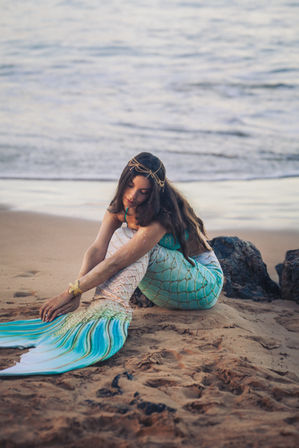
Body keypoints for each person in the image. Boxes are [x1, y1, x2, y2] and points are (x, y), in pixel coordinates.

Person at [0, 152, 223, 376]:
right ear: (123, 179)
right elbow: (98, 248)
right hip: (167, 287)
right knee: (124, 235)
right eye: (130, 185)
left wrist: (72, 290)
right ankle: (102, 308)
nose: (133, 196)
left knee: (129, 238)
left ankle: (107, 311)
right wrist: (76, 293)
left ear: (154, 194)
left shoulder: (161, 217)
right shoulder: (119, 206)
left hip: (202, 284)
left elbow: (118, 261)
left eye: (143, 192)